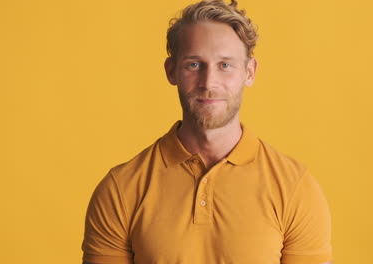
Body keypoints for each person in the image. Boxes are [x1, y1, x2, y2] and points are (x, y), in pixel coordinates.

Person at [81, 0, 333, 263]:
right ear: (171, 71)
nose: (208, 82)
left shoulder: (295, 189)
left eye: (225, 65)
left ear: (249, 72)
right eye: (194, 64)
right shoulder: (120, 189)